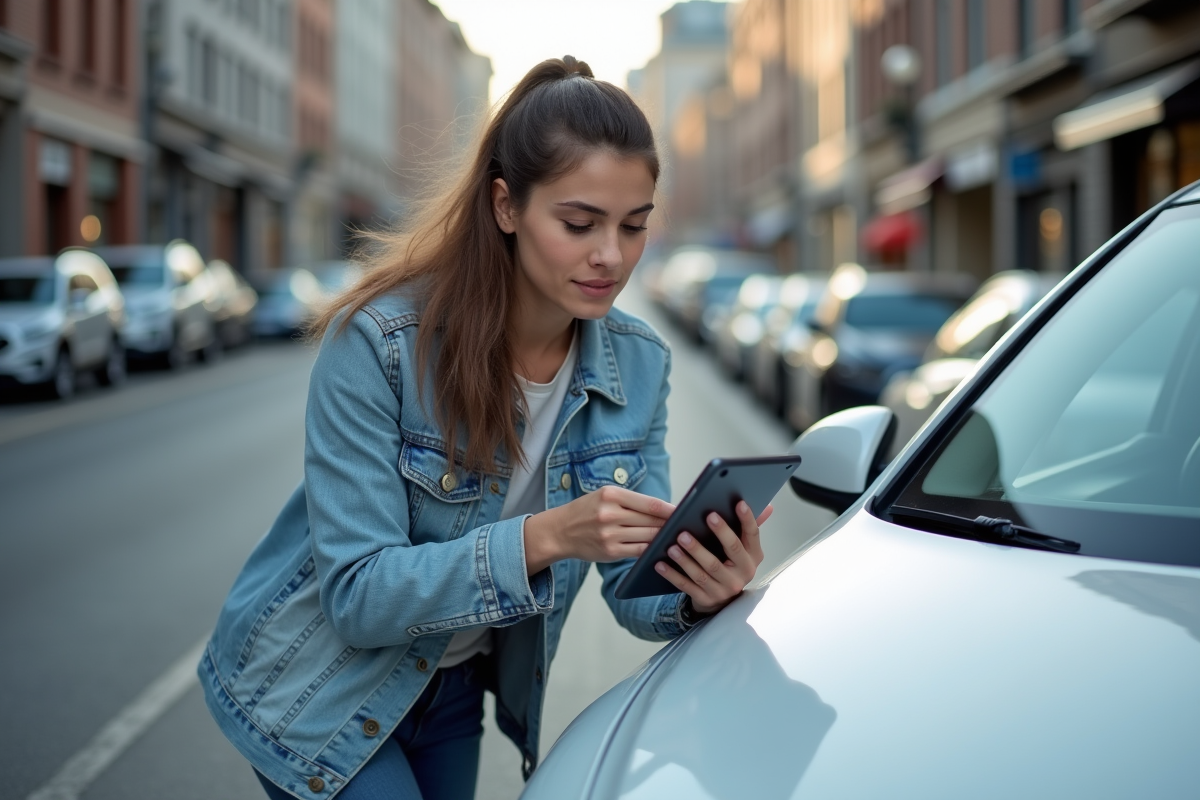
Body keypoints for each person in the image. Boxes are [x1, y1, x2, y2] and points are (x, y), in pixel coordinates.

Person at [199, 56, 772, 800]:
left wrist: (699, 587)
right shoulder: (379, 345)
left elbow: (633, 588)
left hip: (454, 689)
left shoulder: (639, 363)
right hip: (315, 691)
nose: (611, 255)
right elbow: (359, 596)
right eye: (579, 222)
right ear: (506, 206)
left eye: (634, 226)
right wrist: (550, 536)